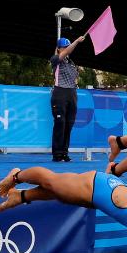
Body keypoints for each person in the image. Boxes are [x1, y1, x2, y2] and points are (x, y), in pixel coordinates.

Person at [50, 34, 86, 162]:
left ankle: (64, 152)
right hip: (60, 93)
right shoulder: (56, 60)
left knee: (69, 124)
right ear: (59, 49)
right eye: (64, 47)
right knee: (60, 123)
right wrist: (76, 41)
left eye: (67, 46)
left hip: (72, 93)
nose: (66, 49)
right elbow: (67, 52)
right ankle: (57, 153)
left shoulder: (72, 63)